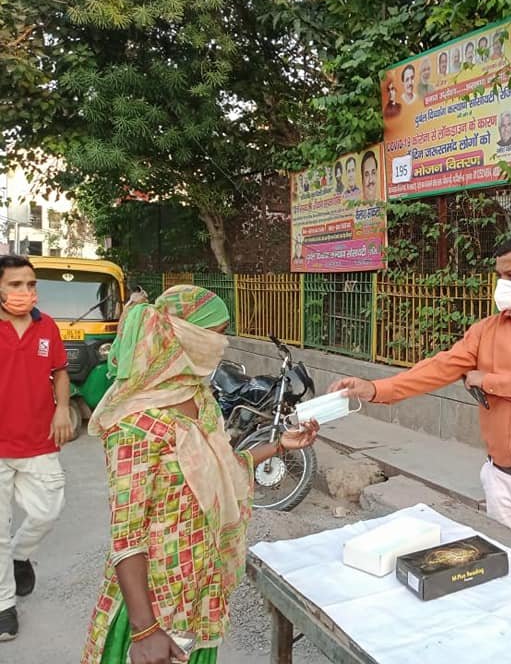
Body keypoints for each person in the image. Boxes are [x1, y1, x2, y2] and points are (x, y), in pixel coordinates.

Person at [80, 286, 318, 664]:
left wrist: (279, 446)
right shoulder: (134, 425)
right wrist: (144, 630)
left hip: (201, 588)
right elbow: (127, 538)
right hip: (155, 603)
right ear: (184, 336)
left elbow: (223, 467)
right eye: (216, 335)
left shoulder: (200, 400)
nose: (222, 345)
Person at [329, 237, 511, 563]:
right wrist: (375, 389)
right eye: (499, 276)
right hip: (500, 480)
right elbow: (440, 367)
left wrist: (489, 381)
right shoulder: (486, 330)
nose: (503, 285)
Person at [0, 254, 71, 641]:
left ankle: (19, 555)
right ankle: (3, 605)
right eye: (15, 285)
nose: (25, 292)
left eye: (30, 284)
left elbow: (59, 372)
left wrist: (62, 409)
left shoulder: (48, 328)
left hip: (39, 440)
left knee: (48, 510)